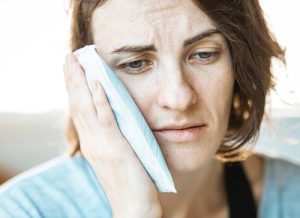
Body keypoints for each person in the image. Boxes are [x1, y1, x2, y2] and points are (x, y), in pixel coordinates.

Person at [0, 0, 299, 217]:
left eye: (204, 54)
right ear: (86, 78)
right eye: (135, 63)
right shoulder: (23, 210)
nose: (179, 97)